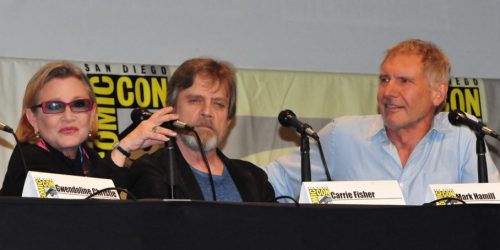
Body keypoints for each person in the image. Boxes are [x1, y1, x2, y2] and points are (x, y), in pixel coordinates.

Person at [265, 39, 500, 205]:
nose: (389, 91)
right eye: (385, 79)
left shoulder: (462, 137)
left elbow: (488, 218)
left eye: (404, 81)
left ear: (438, 93)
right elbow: (272, 182)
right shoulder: (343, 136)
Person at [0, 61, 176, 196]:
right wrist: (123, 149)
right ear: (33, 118)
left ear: (92, 114)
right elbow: (80, 210)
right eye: (54, 106)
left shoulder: (86, 156)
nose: (68, 116)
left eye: (79, 104)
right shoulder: (28, 158)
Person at [125, 58, 275, 202]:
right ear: (171, 110)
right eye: (195, 101)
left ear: (229, 120)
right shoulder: (151, 171)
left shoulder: (254, 178)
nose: (207, 111)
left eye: (219, 104)